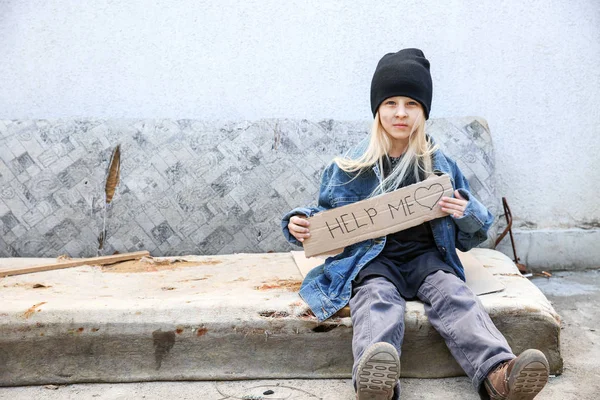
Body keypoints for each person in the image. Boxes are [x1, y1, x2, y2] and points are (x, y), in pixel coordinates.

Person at [281, 48, 550, 400]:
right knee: (376, 301)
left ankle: (501, 374)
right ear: (378, 109)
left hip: (427, 259)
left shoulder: (439, 163)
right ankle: (375, 381)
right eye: (391, 102)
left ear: (424, 111)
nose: (401, 113)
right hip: (373, 261)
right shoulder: (349, 166)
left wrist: (463, 211)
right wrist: (300, 222)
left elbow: (476, 232)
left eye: (412, 104)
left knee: (457, 298)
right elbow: (324, 214)